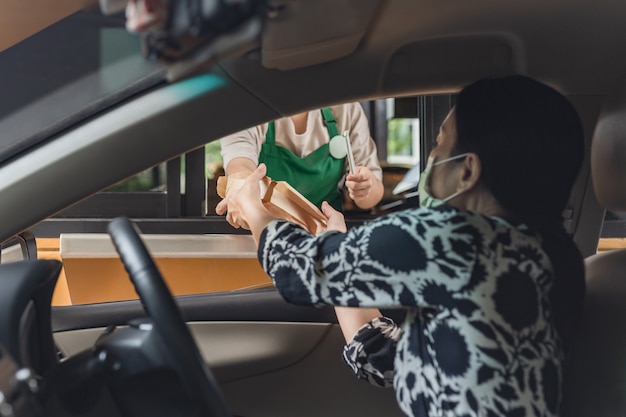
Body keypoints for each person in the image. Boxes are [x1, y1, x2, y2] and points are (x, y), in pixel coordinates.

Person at [216, 75, 585, 417]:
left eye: (440, 143)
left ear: (468, 171)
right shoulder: (555, 255)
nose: (431, 157)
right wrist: (338, 246)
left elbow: (298, 272)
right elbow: (397, 360)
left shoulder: (448, 237)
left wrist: (254, 209)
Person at [217, 103, 384, 218]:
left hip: (326, 236)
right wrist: (241, 186)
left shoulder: (345, 109)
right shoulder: (248, 109)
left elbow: (371, 196)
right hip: (260, 236)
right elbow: (239, 165)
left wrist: (365, 188)